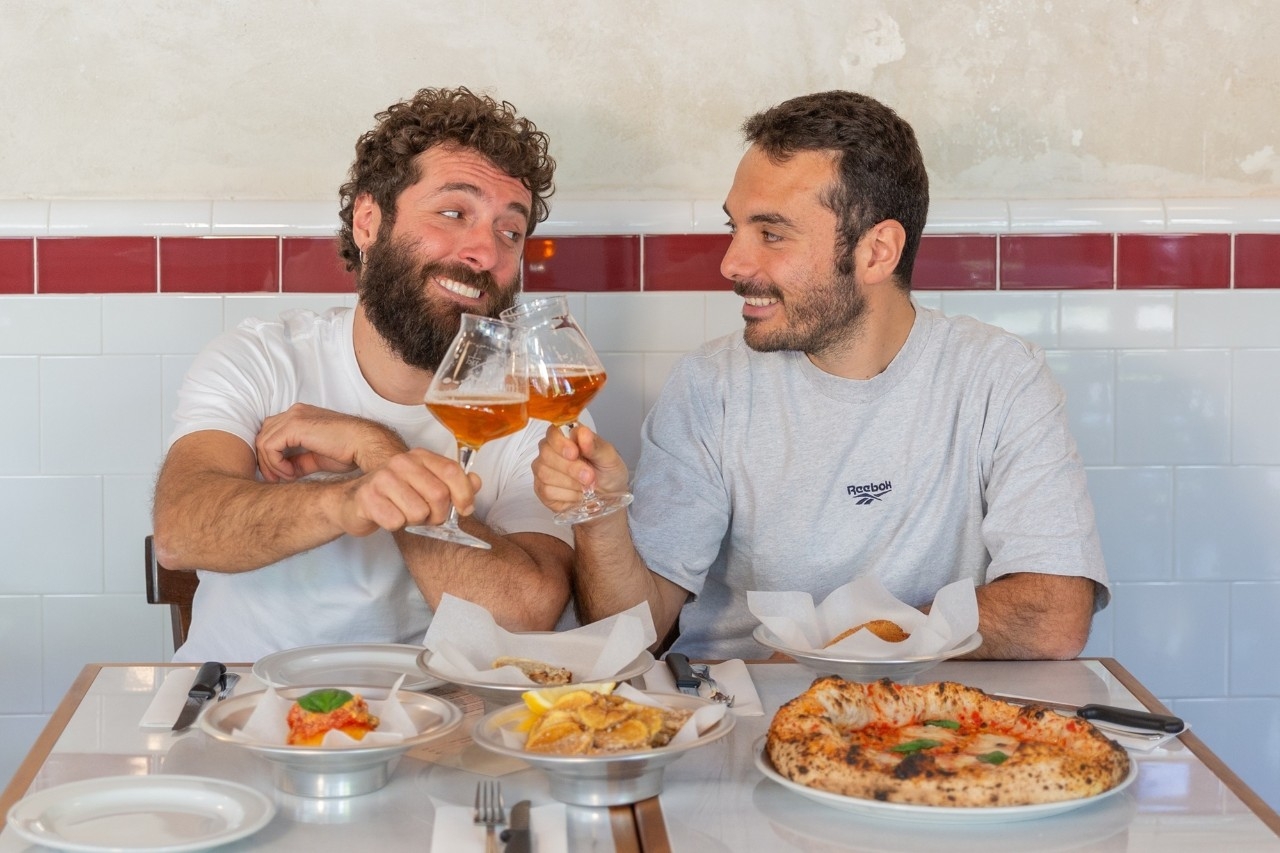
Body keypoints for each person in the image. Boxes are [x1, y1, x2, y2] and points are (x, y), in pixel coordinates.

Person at [532, 90, 1108, 661]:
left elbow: (1054, 613)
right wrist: (598, 514)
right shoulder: (710, 386)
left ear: (877, 252)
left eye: (772, 233)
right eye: (734, 227)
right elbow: (633, 639)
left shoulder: (999, 377)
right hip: (743, 715)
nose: (732, 262)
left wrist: (837, 648)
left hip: (936, 729)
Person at [153, 87, 574, 662]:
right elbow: (182, 532)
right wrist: (346, 502)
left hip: (442, 715)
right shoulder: (260, 359)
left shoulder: (533, 399)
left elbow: (522, 617)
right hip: (243, 705)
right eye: (454, 213)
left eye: (510, 231)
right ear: (369, 222)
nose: (485, 251)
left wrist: (380, 452)